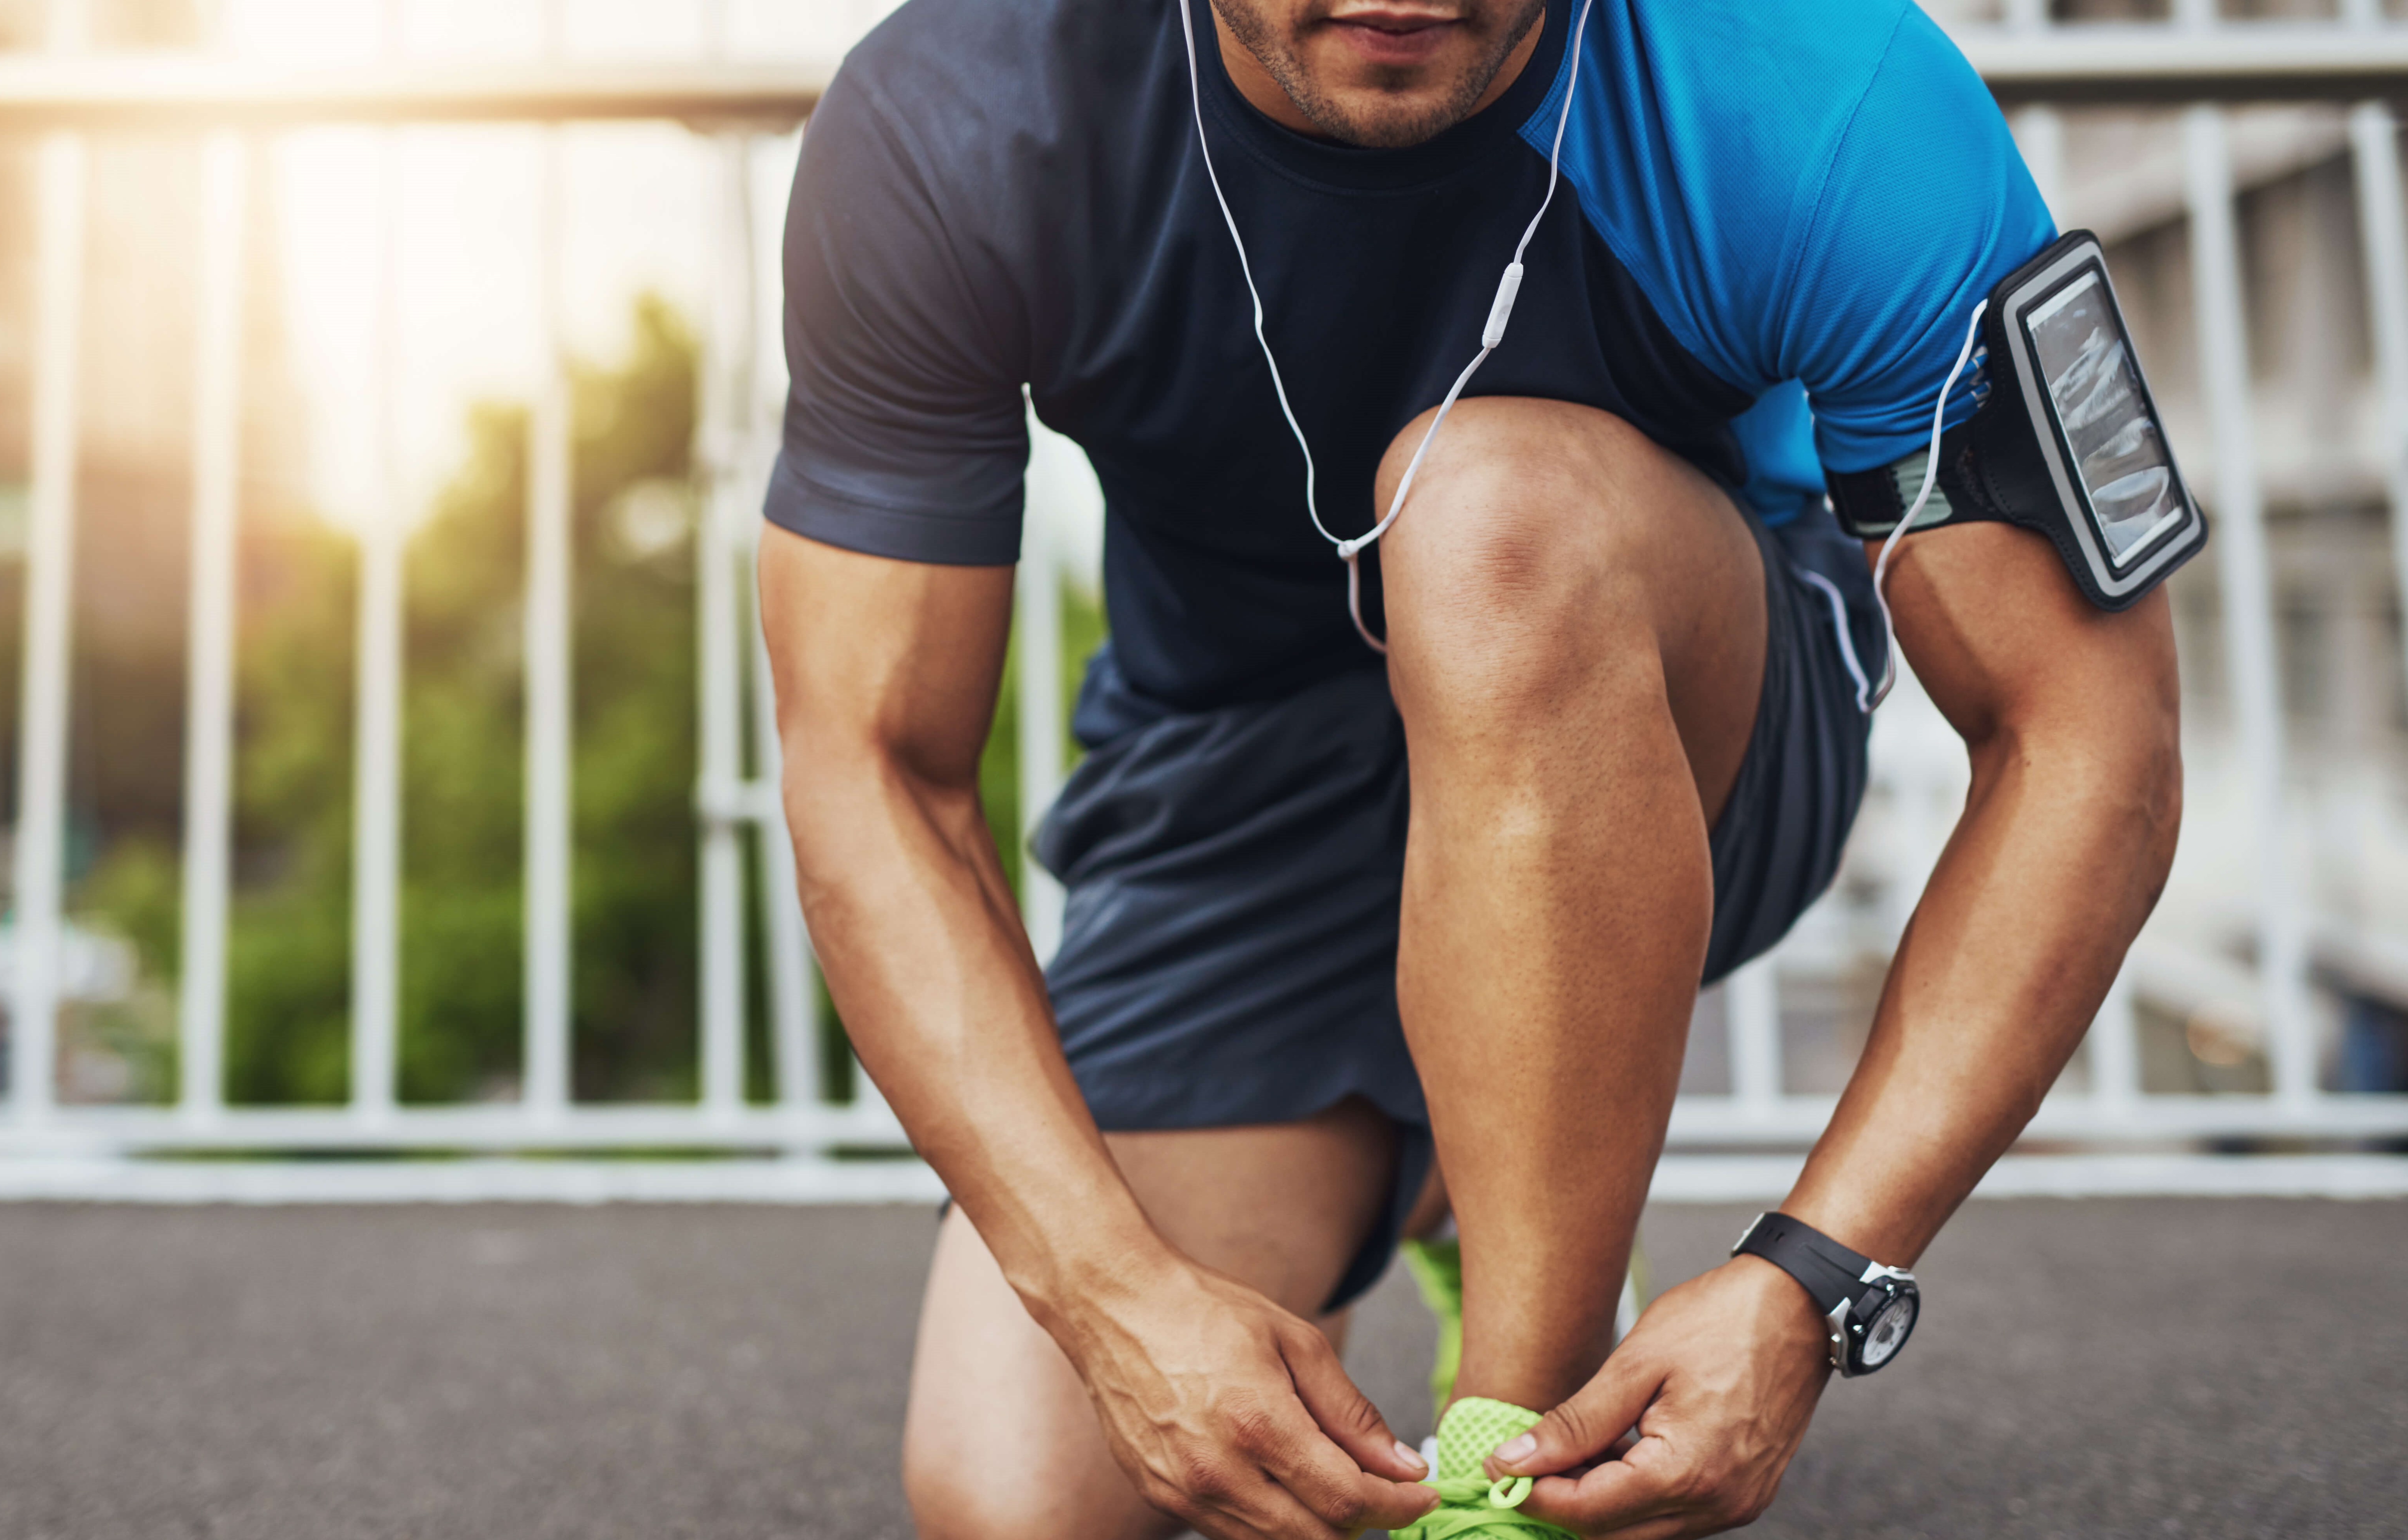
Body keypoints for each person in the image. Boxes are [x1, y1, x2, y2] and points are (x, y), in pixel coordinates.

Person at [759, 1, 2182, 1536]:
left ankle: (1514, 1469)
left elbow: (2085, 731)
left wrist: (1814, 1274)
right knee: (1014, 1496)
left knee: (1487, 513)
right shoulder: (958, 116)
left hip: (1677, 697)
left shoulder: (1817, 89)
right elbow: (875, 765)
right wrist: (1115, 1298)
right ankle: (1461, 1165)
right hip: (1243, 784)